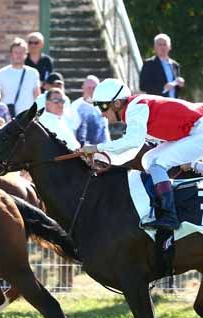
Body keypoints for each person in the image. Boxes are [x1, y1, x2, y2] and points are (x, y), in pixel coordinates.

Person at [82, 78, 203, 230]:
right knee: (149, 160)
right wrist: (101, 159)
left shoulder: (135, 108)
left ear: (117, 103)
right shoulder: (135, 110)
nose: (102, 114)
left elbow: (131, 142)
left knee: (158, 163)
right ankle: (165, 206)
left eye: (102, 107)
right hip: (194, 131)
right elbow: (131, 152)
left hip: (199, 130)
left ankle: (169, 215)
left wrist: (97, 148)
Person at [0, 37, 41, 117]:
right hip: (8, 117)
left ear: (26, 54)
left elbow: (37, 96)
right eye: (16, 52)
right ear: (11, 54)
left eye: (21, 52)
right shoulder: (2, 73)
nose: (19, 55)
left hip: (27, 117)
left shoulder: (33, 73)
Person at [139, 33, 184, 99]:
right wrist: (163, 87)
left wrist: (180, 84)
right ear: (155, 47)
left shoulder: (175, 65)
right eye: (159, 44)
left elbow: (177, 89)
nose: (162, 47)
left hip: (174, 103)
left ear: (170, 47)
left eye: (165, 44)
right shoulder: (149, 64)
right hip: (158, 104)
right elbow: (143, 86)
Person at [71, 75, 110, 145]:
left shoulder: (104, 104)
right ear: (83, 88)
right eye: (88, 88)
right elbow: (73, 129)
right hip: (84, 149)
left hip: (104, 148)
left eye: (94, 88)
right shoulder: (76, 105)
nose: (91, 91)